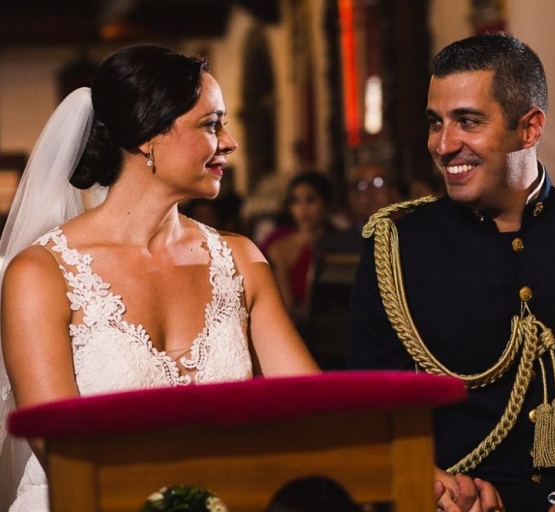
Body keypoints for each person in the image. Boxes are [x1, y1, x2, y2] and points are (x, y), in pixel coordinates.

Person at [348, 33, 555, 512]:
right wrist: (438, 485)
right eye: (435, 123)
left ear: (529, 129)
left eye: (468, 121)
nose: (444, 145)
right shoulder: (397, 245)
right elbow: (376, 409)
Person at [0, 44, 319, 511]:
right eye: (211, 124)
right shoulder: (42, 273)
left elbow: (315, 409)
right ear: (149, 136)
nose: (229, 141)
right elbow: (61, 450)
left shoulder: (240, 260)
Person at [264, 170, 335, 324]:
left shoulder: (341, 243)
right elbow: (284, 308)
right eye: (295, 201)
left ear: (325, 203)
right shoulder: (280, 248)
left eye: (310, 200)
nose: (303, 208)